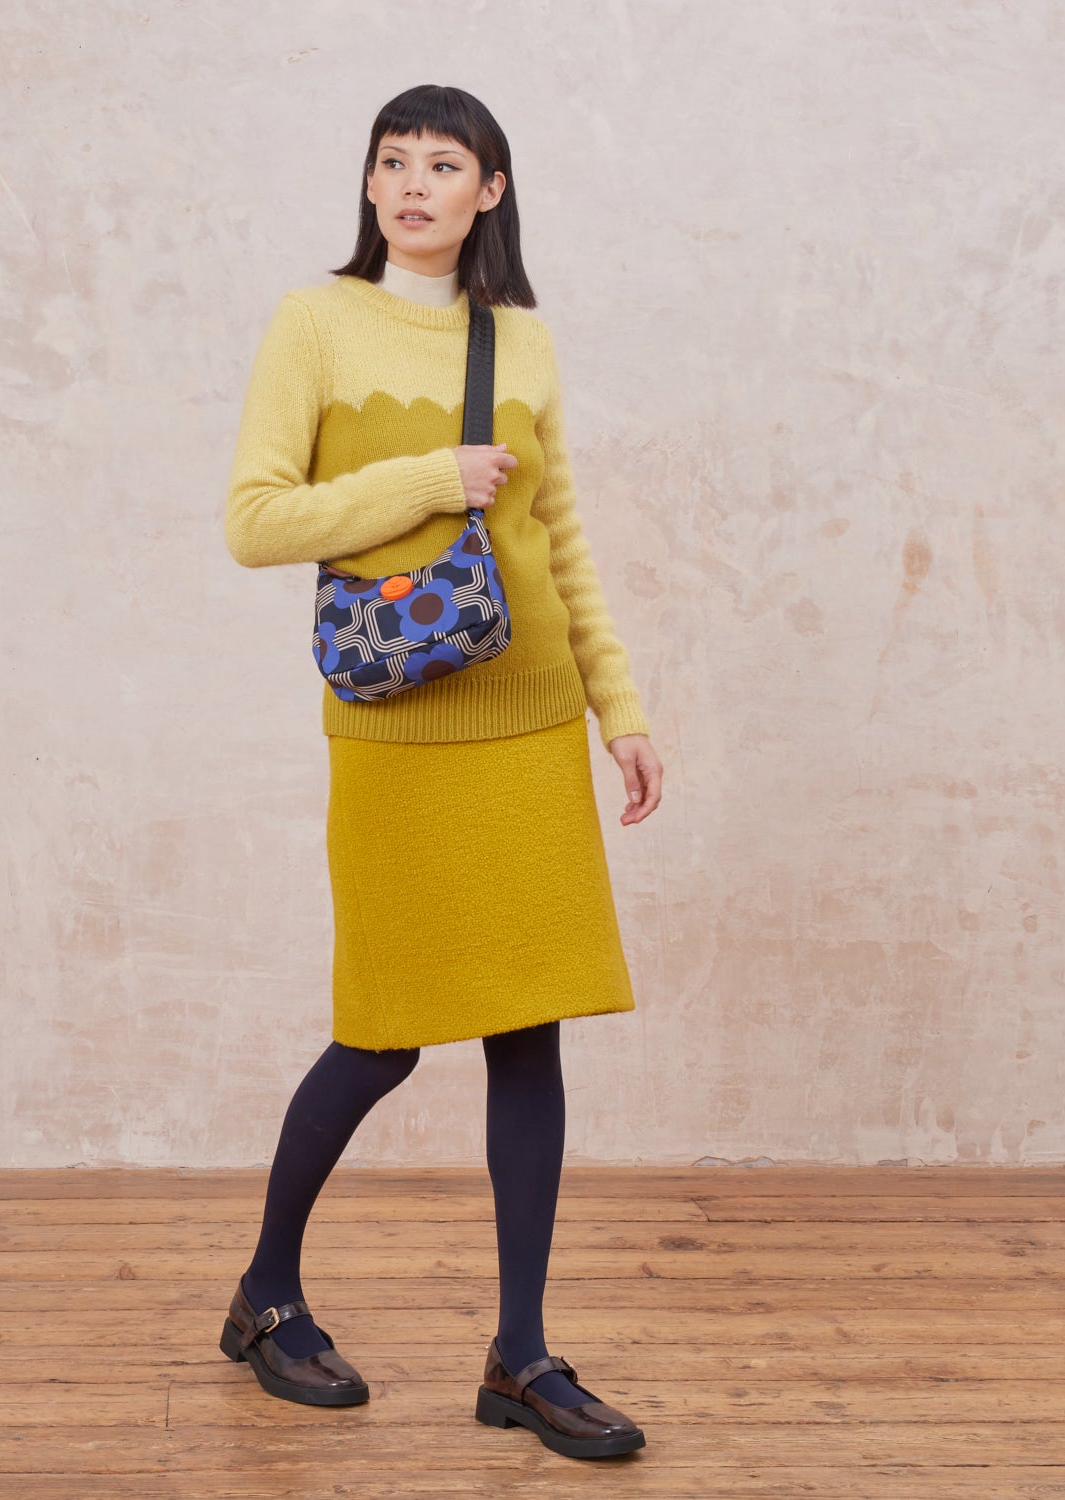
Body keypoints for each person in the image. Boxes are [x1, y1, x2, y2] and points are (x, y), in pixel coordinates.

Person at [217, 84, 663, 1463]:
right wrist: (425, 476)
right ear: (369, 187)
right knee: (385, 1028)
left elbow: (562, 537)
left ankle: (520, 1354)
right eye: (391, 161)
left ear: (493, 189)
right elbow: (255, 520)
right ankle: (264, 1291)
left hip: (529, 728)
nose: (412, 182)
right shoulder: (316, 321)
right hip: (402, 730)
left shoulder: (520, 340)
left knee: (530, 1027)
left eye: (443, 162)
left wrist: (621, 710)